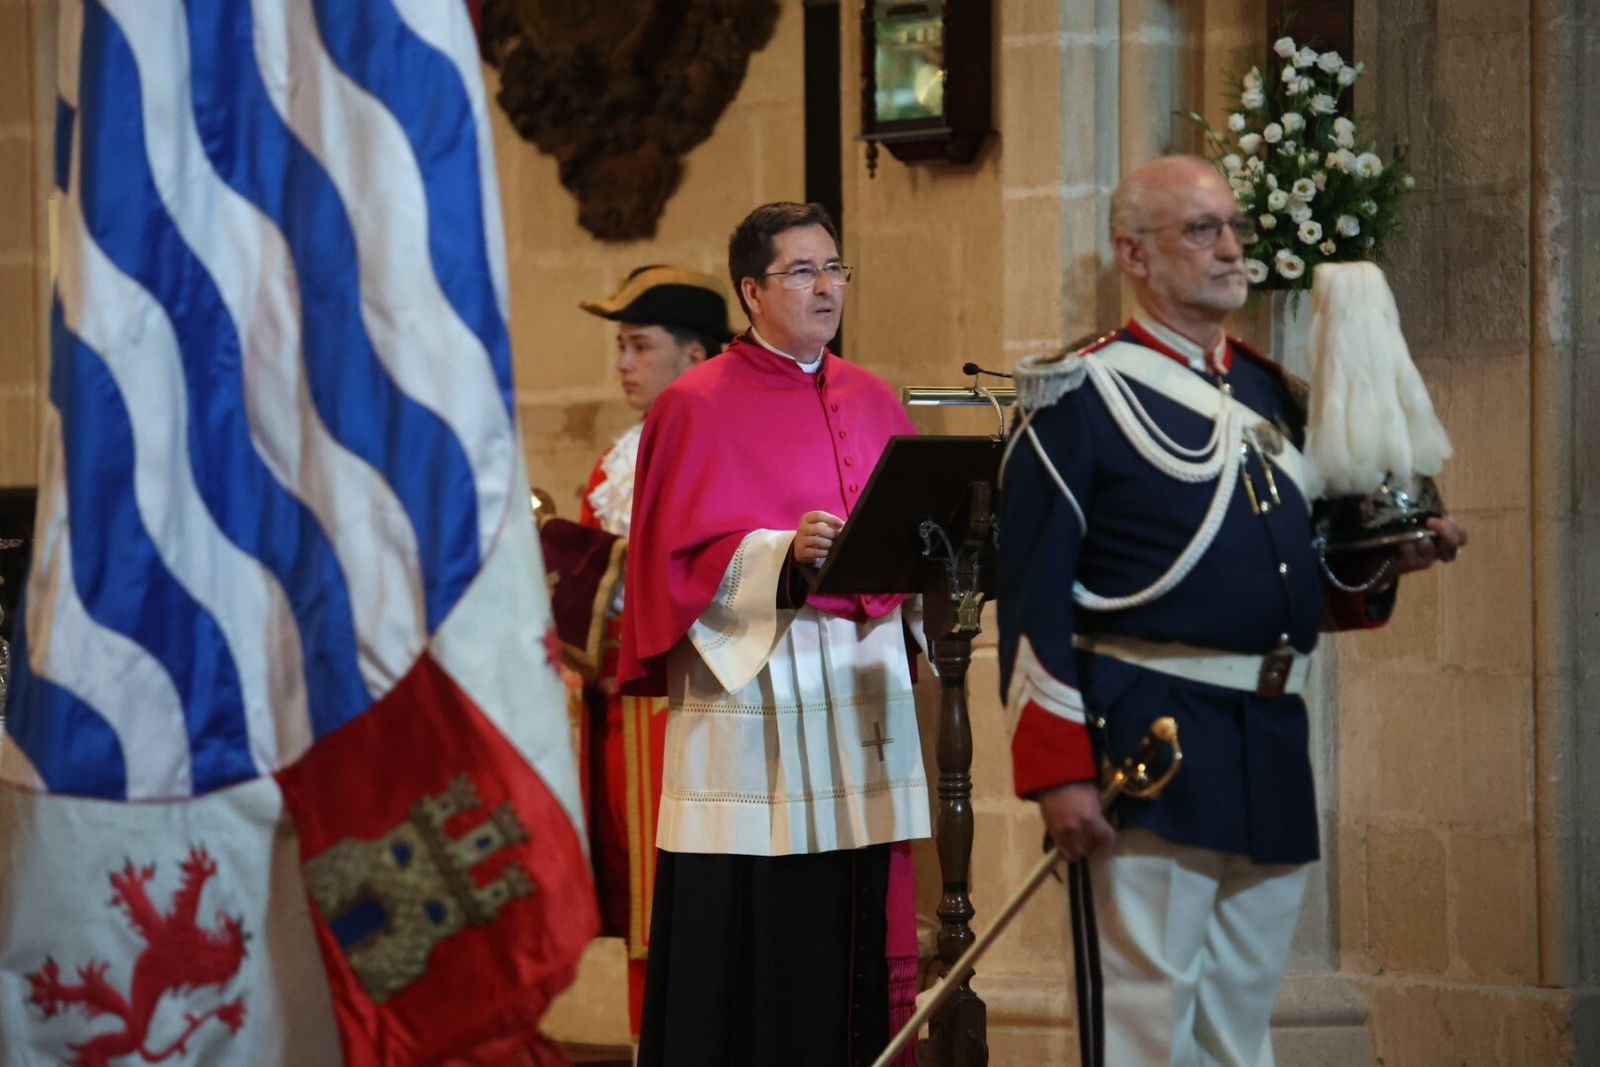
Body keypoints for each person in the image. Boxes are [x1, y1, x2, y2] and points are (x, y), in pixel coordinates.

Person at [997, 154, 1466, 1067]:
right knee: (1143, 1029)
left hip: (1267, 740)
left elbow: (1297, 582)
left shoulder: (1269, 394)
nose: (1230, 249)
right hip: (1150, 741)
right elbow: (1031, 597)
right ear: (1133, 253)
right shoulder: (1081, 396)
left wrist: (1389, 557)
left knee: (1238, 1035)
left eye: (1234, 227)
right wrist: (1058, 771)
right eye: (1201, 229)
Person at [618, 202, 927, 1067]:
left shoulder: (872, 395)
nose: (825, 287)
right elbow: (670, 564)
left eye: (834, 268)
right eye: (801, 271)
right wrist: (780, 553)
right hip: (756, 693)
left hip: (861, 684)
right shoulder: (693, 405)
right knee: (763, 920)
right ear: (751, 291)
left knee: (857, 904)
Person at [550, 266, 732, 1041]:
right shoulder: (615, 462)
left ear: (695, 354)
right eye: (621, 346)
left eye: (640, 345)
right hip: (624, 715)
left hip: (705, 706)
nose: (624, 364)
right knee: (639, 910)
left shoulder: (727, 442)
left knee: (708, 910)